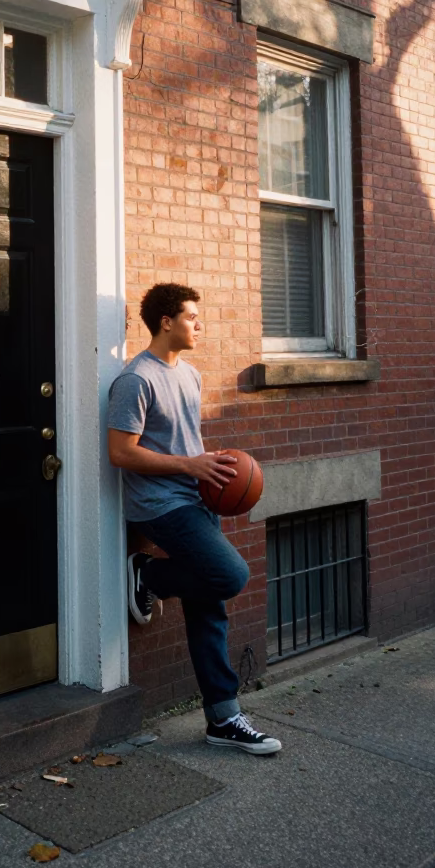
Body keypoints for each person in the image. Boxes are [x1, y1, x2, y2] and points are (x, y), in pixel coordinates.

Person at [107, 282, 281, 756]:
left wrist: (211, 464)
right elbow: (121, 453)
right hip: (160, 504)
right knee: (228, 574)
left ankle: (223, 717)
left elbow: (181, 441)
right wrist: (190, 465)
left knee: (209, 603)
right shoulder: (136, 379)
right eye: (191, 317)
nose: (199, 325)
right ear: (167, 322)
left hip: (195, 499)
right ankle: (148, 573)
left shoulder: (190, 375)